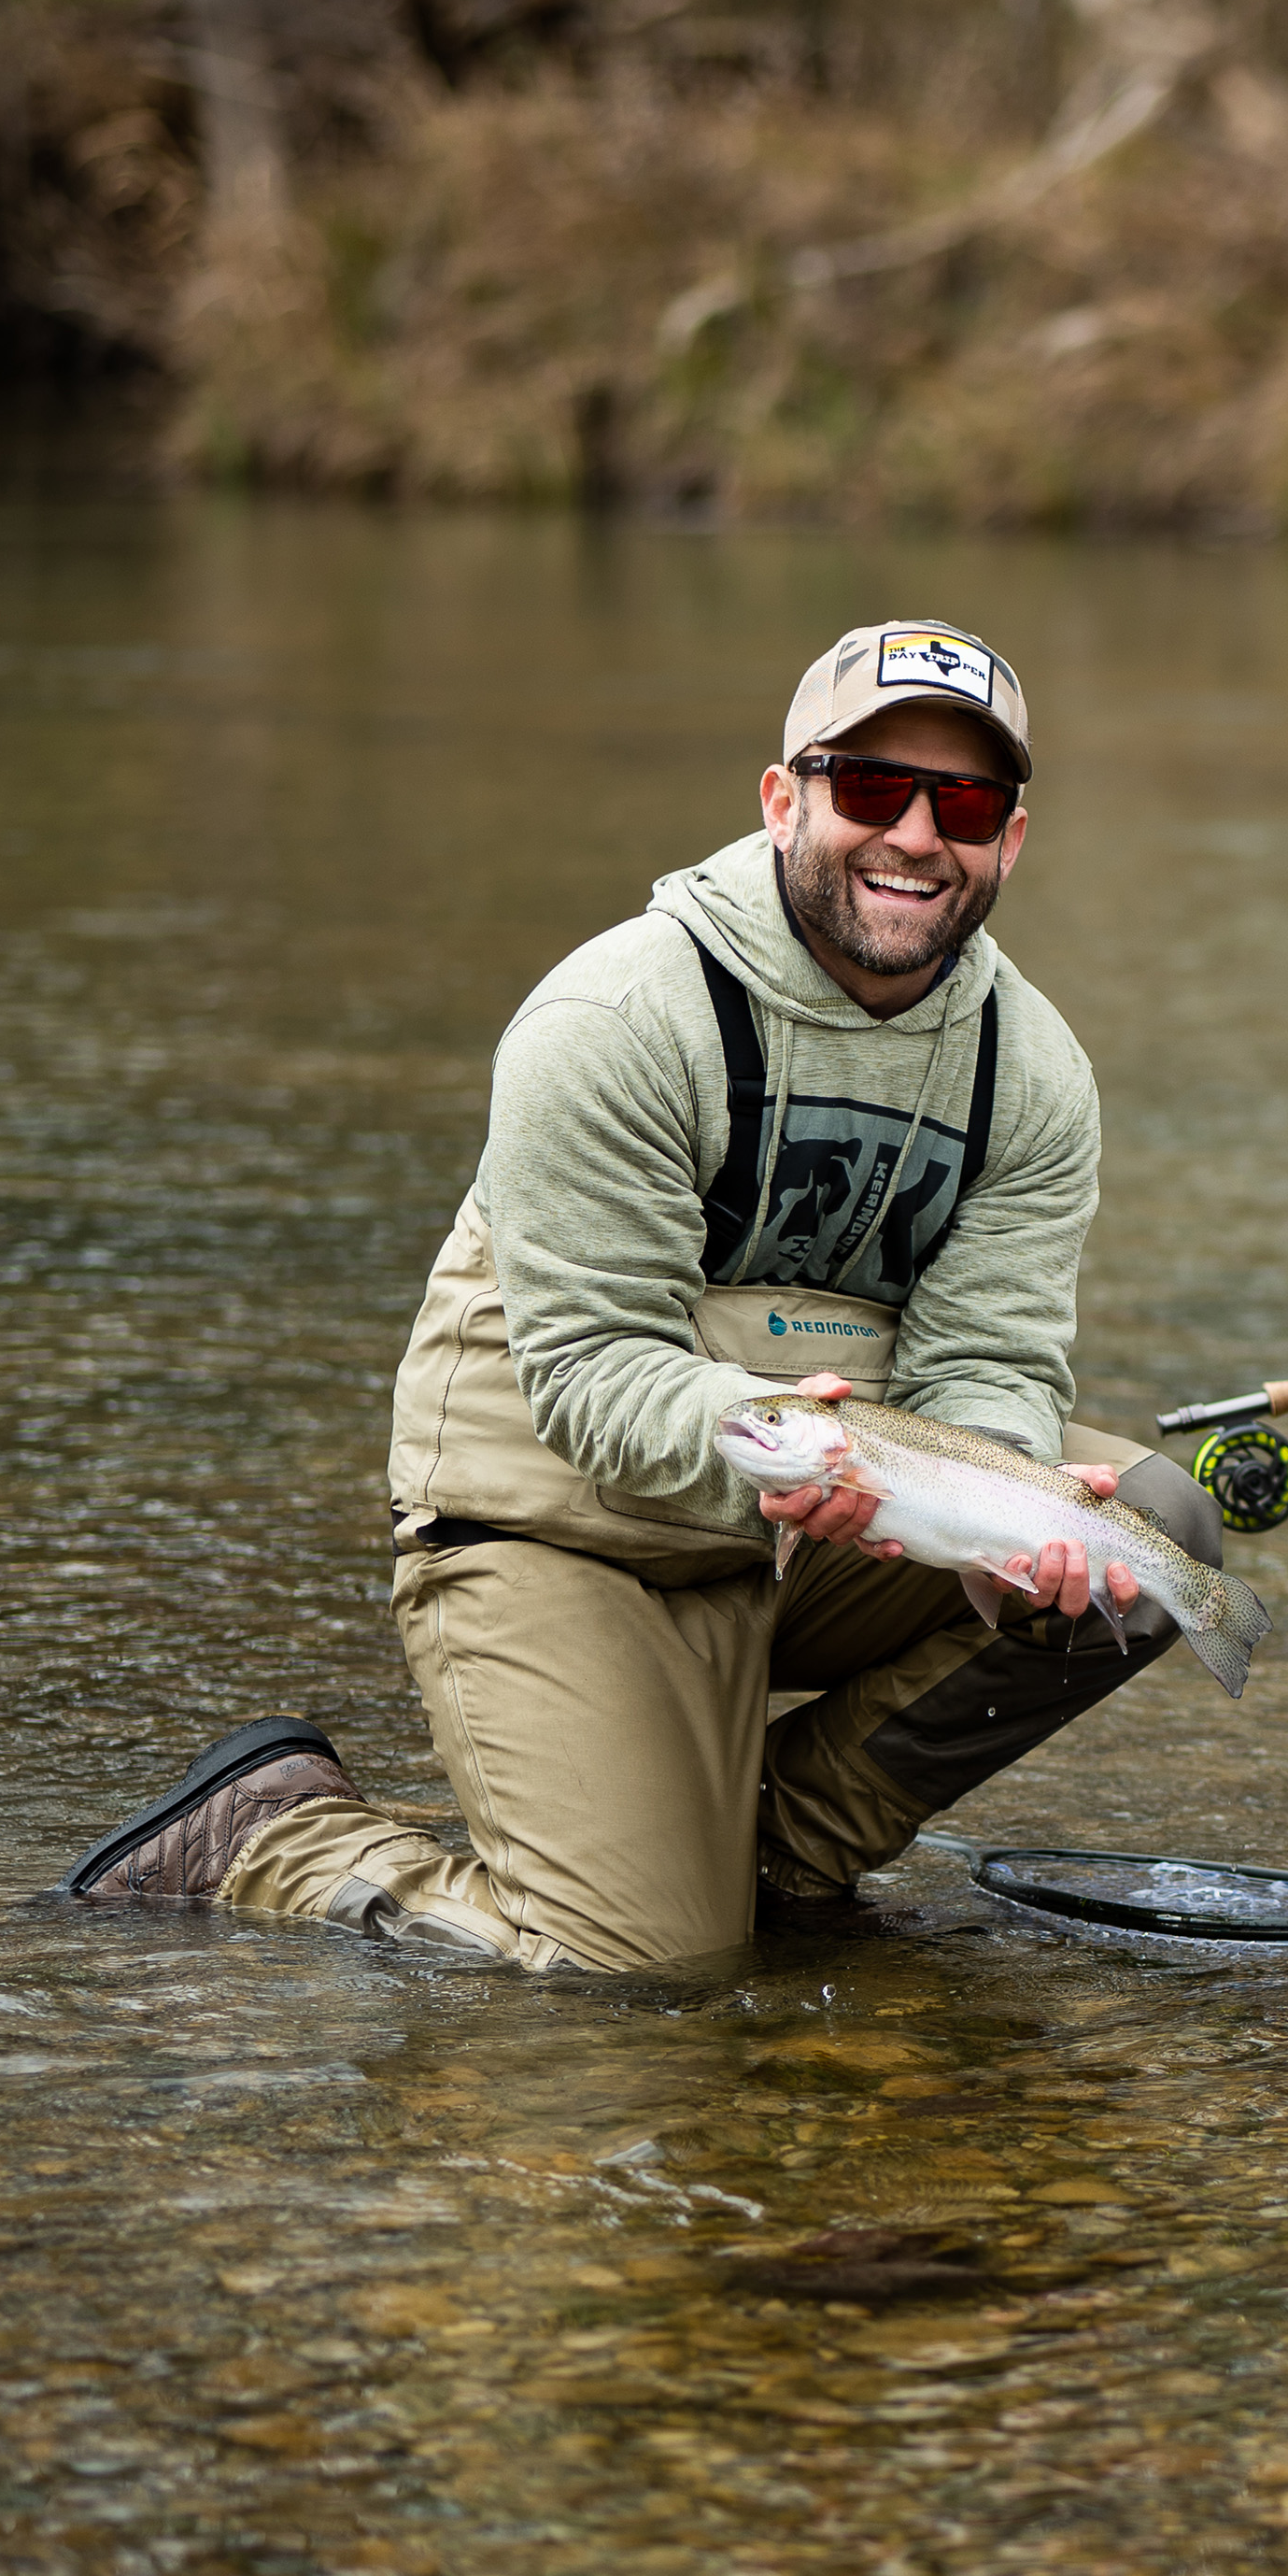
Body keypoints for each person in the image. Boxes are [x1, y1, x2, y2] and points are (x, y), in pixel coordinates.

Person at [64, 619, 1220, 1966]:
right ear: (784, 799)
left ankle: (779, 1850)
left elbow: (993, 1364)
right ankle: (283, 1841)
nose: (915, 835)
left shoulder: (1033, 1072)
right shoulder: (617, 1017)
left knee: (1153, 1531)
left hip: (819, 1520)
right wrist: (783, 1449)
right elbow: (595, 1375)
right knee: (635, 1973)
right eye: (869, 789)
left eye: (962, 802)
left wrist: (1012, 1513)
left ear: (1009, 840)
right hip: (560, 1525)